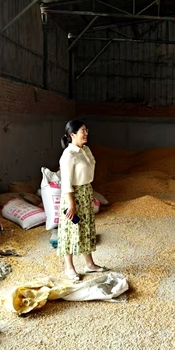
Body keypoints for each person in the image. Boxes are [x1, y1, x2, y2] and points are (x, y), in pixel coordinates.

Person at [58, 120, 107, 281]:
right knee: (70, 230)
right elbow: (66, 183)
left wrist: (88, 193)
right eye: (82, 131)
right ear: (72, 135)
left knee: (86, 228)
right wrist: (71, 204)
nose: (86, 134)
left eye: (86, 130)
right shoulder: (68, 155)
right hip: (73, 195)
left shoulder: (85, 150)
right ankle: (69, 267)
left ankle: (89, 264)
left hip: (85, 192)